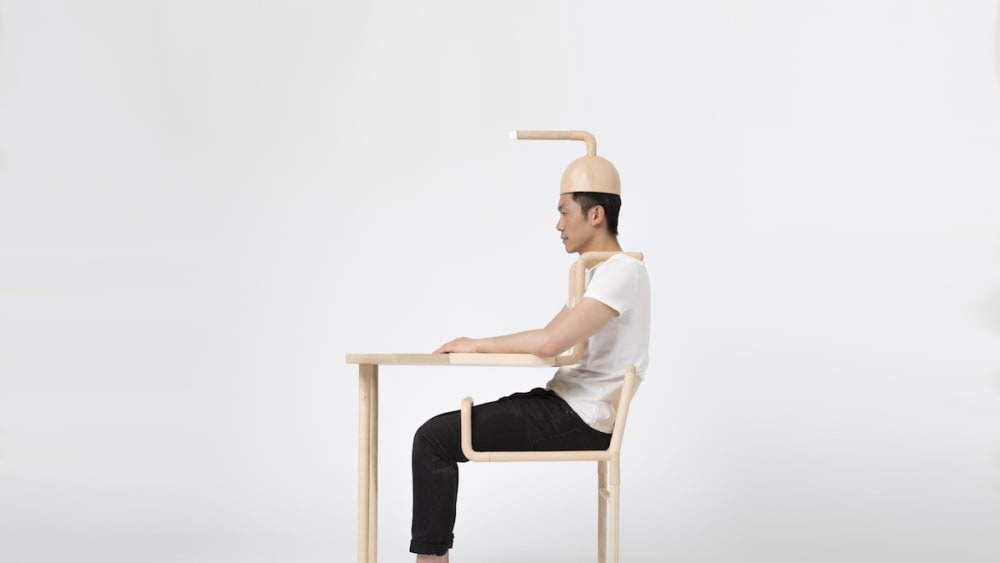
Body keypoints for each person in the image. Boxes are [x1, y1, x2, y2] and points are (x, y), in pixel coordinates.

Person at [410, 181, 651, 563]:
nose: (558, 225)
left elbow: (550, 344)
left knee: (434, 439)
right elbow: (551, 337)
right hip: (563, 403)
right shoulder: (596, 274)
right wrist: (481, 343)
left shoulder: (622, 271)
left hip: (579, 417)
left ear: (596, 214)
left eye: (563, 211)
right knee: (437, 435)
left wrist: (477, 344)